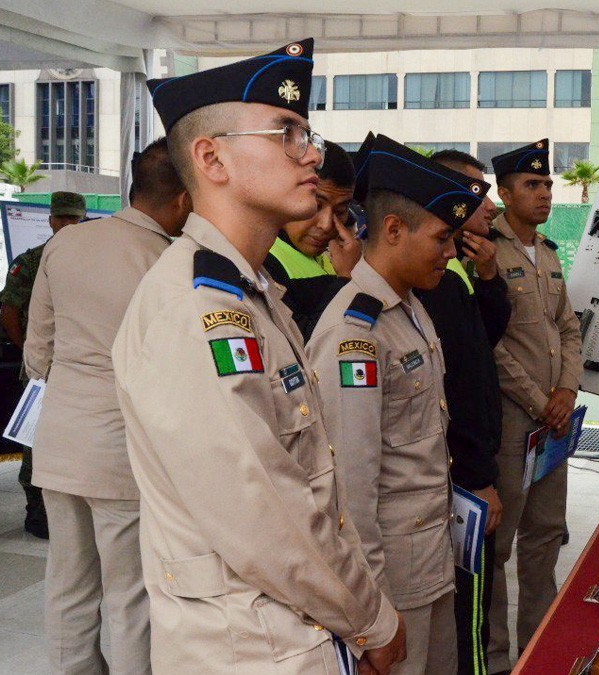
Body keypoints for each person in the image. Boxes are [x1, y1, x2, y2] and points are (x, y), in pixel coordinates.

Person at [112, 39, 405, 675]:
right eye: (287, 133)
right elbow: (265, 513)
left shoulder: (249, 292)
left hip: (289, 632)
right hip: (250, 648)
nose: (312, 154)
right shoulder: (195, 311)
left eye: (309, 134)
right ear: (211, 158)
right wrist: (371, 619)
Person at [307, 133, 490, 675]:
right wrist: (372, 616)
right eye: (442, 238)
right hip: (392, 585)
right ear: (392, 230)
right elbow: (350, 489)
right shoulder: (354, 334)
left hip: (430, 560)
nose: (453, 251)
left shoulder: (409, 309)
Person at [22, 140, 188, 674]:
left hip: (59, 439)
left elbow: (35, 352)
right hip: (124, 450)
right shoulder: (168, 261)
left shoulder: (66, 244)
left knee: (67, 585)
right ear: (185, 199)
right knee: (131, 596)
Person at [485, 139, 583, 674]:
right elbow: (491, 346)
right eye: (532, 185)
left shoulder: (546, 253)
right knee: (499, 550)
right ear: (504, 193)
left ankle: (538, 646)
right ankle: (499, 658)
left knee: (546, 534)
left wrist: (565, 393)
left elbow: (568, 329)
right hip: (514, 422)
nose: (544, 193)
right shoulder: (486, 251)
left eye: (547, 185)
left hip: (554, 421)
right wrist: (540, 400)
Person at [415, 149, 509, 675]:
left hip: (456, 478)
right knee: (461, 622)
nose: (489, 206)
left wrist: (490, 279)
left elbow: (482, 343)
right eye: (477, 194)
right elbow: (463, 390)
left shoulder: (455, 275)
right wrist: (477, 476)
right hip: (453, 482)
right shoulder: (436, 282)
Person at [0, 189, 85, 539]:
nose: (67, 225)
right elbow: (8, 312)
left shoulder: (91, 260)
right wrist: (29, 351)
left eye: (74, 219)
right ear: (50, 220)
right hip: (43, 367)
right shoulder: (30, 262)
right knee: (37, 438)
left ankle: (74, 511)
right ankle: (37, 512)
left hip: (81, 363)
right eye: (61, 218)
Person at [263, 142, 362, 338]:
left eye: (340, 211)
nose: (326, 225)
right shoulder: (262, 261)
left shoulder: (338, 256)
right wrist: (347, 279)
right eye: (316, 205)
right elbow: (309, 346)